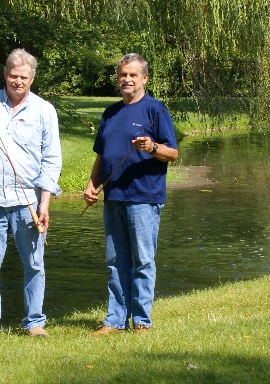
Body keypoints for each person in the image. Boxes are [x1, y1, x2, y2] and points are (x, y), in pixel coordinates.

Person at [0, 48, 62, 340]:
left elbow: (52, 159)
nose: (18, 81)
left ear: (32, 79)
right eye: (12, 75)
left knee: (33, 264)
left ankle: (34, 322)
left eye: (24, 77)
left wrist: (44, 203)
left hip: (26, 202)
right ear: (5, 75)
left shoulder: (45, 110)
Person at [83, 53, 178, 335]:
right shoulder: (110, 113)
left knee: (143, 261)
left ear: (145, 79)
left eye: (133, 75)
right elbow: (102, 154)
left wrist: (151, 147)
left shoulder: (156, 111)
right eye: (123, 74)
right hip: (114, 198)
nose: (127, 79)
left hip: (144, 198)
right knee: (115, 262)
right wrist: (91, 184)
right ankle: (114, 320)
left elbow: (173, 153)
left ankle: (141, 321)